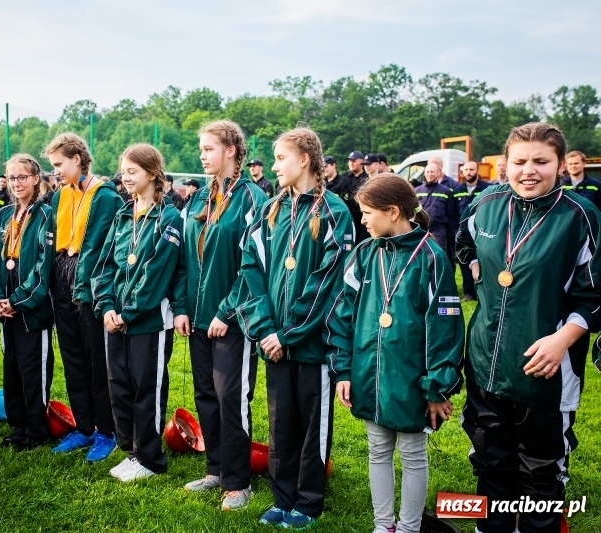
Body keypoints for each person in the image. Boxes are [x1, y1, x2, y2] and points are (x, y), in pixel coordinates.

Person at [456, 123, 601, 533]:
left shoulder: (580, 217)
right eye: (520, 162)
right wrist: (476, 266)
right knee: (490, 463)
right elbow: (464, 244)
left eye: (541, 161)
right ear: (507, 164)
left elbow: (596, 295)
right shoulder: (486, 202)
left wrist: (561, 339)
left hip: (547, 372)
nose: (529, 171)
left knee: (540, 475)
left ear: (560, 164)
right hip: (486, 361)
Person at [329, 173, 464, 533]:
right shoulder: (363, 254)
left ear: (392, 212)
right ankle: (382, 524)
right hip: (369, 377)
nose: (362, 221)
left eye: (366, 213)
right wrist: (343, 371)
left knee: (413, 455)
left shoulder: (432, 258)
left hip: (412, 381)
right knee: (377, 449)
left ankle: (408, 527)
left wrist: (436, 388)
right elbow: (342, 316)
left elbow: (445, 329)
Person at [237, 127, 354, 528]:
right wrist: (266, 330)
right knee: (281, 422)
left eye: (280, 158)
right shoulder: (269, 210)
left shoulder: (335, 211)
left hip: (311, 345)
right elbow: (250, 271)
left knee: (311, 427)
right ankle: (282, 496)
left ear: (304, 159)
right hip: (274, 342)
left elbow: (328, 283)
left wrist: (287, 335)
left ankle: (307, 502)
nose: (273, 166)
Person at [173, 119, 268, 511]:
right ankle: (215, 468)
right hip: (196, 318)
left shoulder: (252, 199)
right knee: (205, 394)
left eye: (209, 148)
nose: (202, 155)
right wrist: (181, 307)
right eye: (201, 148)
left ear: (231, 151)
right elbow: (182, 260)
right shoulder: (197, 199)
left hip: (231, 320)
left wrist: (227, 312)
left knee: (232, 398)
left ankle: (237, 481)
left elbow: (254, 266)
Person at [92, 143, 183, 482]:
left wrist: (127, 312)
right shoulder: (121, 215)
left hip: (149, 321)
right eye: (123, 171)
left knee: (147, 387)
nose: (126, 178)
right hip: (115, 320)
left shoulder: (168, 217)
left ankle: (150, 458)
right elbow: (103, 267)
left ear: (152, 173)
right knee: (120, 385)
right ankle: (130, 450)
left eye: (133, 172)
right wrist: (107, 307)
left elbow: (157, 274)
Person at [45, 133, 122, 462]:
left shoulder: (105, 196)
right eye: (53, 166)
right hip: (62, 277)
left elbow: (103, 247)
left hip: (89, 283)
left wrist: (89, 286)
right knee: (73, 357)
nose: (57, 172)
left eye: (60, 164)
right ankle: (84, 426)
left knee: (96, 360)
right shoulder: (59, 195)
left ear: (78, 159)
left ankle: (107, 431)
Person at [0, 154, 54, 452]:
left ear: (36, 179)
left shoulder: (46, 215)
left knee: (32, 369)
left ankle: (36, 430)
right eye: (12, 178)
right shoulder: (2, 216)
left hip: (30, 309)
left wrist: (17, 301)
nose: (16, 183)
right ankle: (18, 426)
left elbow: (44, 265)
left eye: (22, 177)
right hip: (6, 306)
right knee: (11, 367)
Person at [452, 161, 490, 301]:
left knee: (484, 262)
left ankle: (484, 292)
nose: (468, 172)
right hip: (463, 234)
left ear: (477, 170)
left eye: (471, 169)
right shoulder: (457, 190)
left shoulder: (487, 188)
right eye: (466, 169)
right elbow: (452, 213)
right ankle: (469, 293)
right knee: (465, 262)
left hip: (482, 231)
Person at [415, 164, 458, 266]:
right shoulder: (417, 191)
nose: (430, 174)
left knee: (439, 258)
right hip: (421, 230)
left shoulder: (446, 191)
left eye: (432, 172)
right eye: (427, 172)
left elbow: (451, 215)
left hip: (439, 231)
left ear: (438, 173)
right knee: (421, 258)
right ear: (424, 174)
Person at [343, 151, 369, 243]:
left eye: (354, 160)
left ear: (361, 162)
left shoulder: (367, 177)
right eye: (349, 161)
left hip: (363, 216)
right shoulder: (344, 178)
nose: (351, 163)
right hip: (349, 217)